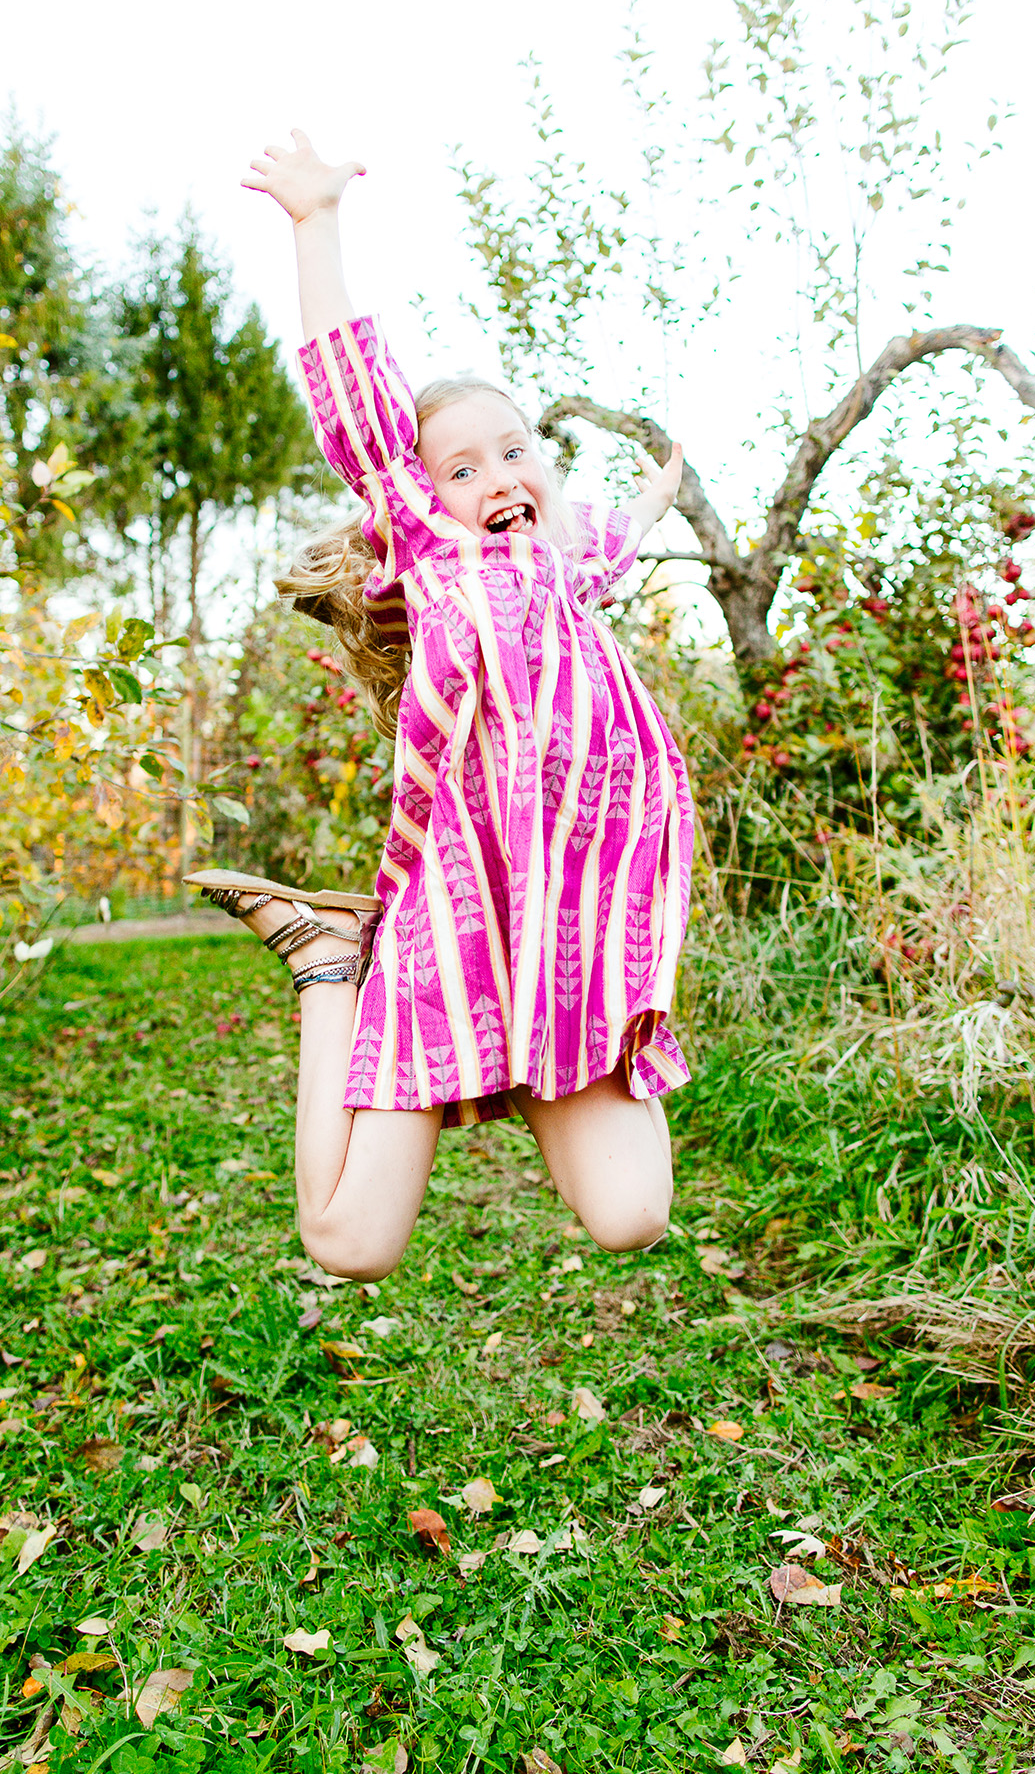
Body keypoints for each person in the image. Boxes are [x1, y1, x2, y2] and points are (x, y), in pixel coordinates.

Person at [186, 130, 694, 1282]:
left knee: (632, 1217)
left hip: (576, 944)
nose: (496, 477)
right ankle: (326, 961)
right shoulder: (434, 555)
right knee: (347, 1243)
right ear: (421, 498)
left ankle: (546, 1056)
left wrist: (655, 496)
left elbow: (606, 540)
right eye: (460, 468)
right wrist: (316, 226)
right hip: (453, 933)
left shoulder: (564, 572)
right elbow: (356, 394)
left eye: (513, 451)